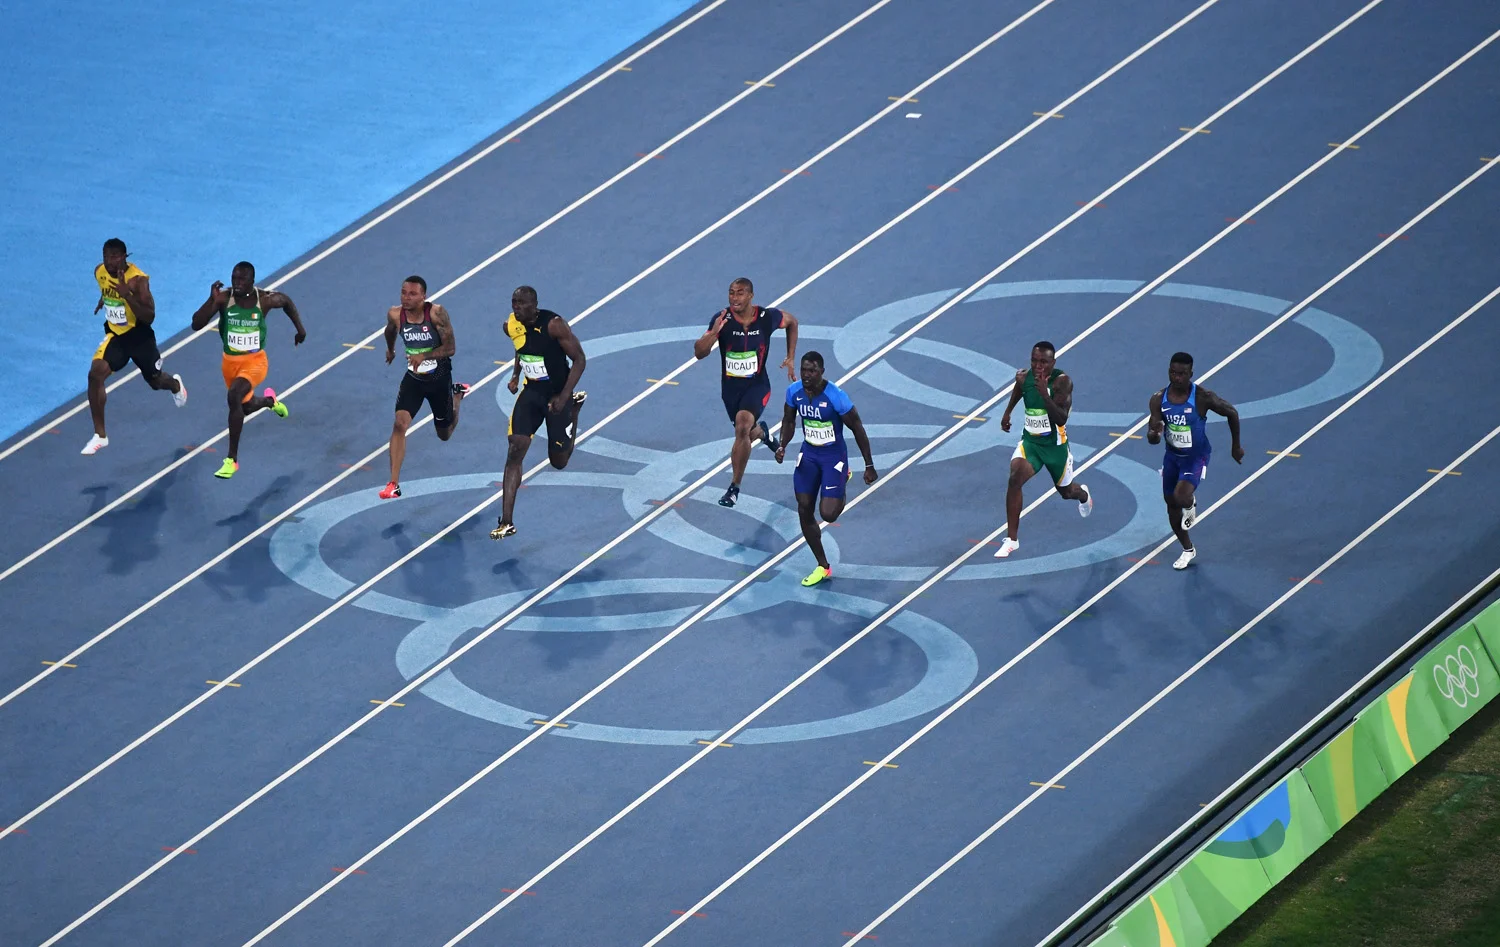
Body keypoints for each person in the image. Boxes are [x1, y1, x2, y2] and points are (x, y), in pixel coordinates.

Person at [189, 261, 306, 479]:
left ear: (253, 280)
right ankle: (269, 402)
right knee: (244, 407)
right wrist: (211, 300)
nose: (237, 283)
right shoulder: (224, 299)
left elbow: (286, 301)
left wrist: (300, 330)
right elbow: (196, 324)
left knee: (234, 396)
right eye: (234, 278)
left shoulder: (264, 299)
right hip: (229, 364)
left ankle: (231, 460)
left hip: (255, 362)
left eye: (242, 279)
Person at [489, 286, 586, 540]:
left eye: (521, 303)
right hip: (532, 393)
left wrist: (564, 397)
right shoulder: (510, 325)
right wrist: (515, 375)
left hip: (557, 393)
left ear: (535, 305)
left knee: (559, 462)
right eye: (513, 302)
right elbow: (520, 347)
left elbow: (580, 360)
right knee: (515, 448)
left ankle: (574, 412)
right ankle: (507, 521)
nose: (515, 307)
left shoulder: (554, 325)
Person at [693, 277, 799, 508]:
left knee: (742, 427)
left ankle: (734, 489)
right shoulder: (722, 319)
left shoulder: (766, 317)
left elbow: (792, 322)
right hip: (730, 391)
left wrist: (790, 356)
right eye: (731, 292)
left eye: (740, 293)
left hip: (757, 386)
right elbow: (699, 353)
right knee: (745, 433)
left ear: (751, 295)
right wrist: (714, 334)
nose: (734, 297)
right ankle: (762, 433)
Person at [775, 352, 877, 587]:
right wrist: (782, 445)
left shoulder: (836, 397)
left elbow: (857, 427)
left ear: (822, 372)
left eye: (812, 371)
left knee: (829, 514)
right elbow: (789, 421)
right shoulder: (794, 393)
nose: (807, 375)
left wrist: (869, 465)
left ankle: (843, 479)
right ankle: (823, 565)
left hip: (833, 456)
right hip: (809, 454)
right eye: (803, 370)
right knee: (803, 508)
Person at [82, 238, 187, 454]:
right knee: (95, 374)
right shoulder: (99, 271)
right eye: (105, 256)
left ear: (124, 257)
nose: (108, 262)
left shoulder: (138, 281)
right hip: (116, 336)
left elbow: (149, 316)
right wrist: (104, 299)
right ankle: (100, 435)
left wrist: (126, 295)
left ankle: (175, 385)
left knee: (156, 382)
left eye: (113, 257)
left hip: (139, 336)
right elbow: (106, 288)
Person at [994, 341, 1093, 559]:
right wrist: (1007, 412)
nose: (1038, 366)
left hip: (1056, 448)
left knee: (1066, 493)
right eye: (1034, 361)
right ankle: (1012, 540)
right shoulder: (1024, 377)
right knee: (1014, 478)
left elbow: (1060, 418)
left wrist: (1044, 394)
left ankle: (1084, 495)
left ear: (1053, 362)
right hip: (1031, 444)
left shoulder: (1062, 382)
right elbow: (1019, 388)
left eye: (1044, 362)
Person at [1146, 352, 1244, 570]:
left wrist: (1235, 446)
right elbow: (1152, 439)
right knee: (1171, 505)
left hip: (1195, 457)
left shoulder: (1202, 397)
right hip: (1172, 457)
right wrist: (1154, 433)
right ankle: (1188, 549)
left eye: (1182, 374)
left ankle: (1190, 503)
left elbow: (1232, 413)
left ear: (1191, 373)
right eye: (1173, 372)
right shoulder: (1157, 400)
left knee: (1181, 496)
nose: (1177, 377)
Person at [379, 276, 468, 499]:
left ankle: (457, 397)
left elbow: (451, 348)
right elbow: (390, 330)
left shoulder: (436, 313)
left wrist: (424, 354)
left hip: (439, 378)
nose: (406, 298)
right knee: (400, 423)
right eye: (403, 293)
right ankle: (393, 484)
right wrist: (391, 349)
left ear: (423, 296)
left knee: (444, 434)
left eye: (412, 294)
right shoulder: (395, 314)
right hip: (415, 378)